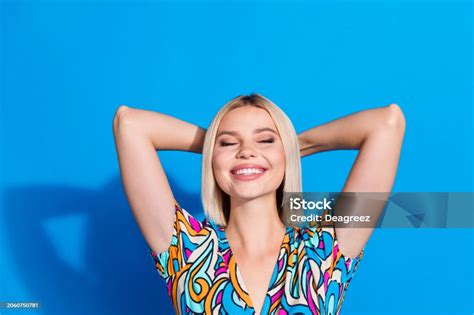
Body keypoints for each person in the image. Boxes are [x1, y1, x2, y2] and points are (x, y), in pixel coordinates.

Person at [112, 93, 406, 314]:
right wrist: (217, 147)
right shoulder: (188, 249)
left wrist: (291, 147)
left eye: (265, 140)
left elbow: (387, 123)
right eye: (229, 143)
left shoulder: (327, 247)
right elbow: (130, 124)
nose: (247, 152)